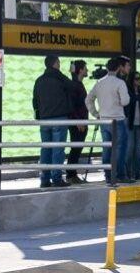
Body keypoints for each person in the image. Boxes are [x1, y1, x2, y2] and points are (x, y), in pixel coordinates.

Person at [86, 56, 132, 184]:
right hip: (118, 120)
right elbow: (125, 101)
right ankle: (120, 175)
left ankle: (108, 175)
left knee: (107, 148)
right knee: (120, 149)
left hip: (103, 120)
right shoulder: (120, 83)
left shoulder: (99, 83)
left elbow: (88, 100)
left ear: (107, 68)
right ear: (118, 68)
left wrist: (96, 113)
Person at [33, 55, 74, 188]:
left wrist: (39, 115)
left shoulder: (39, 80)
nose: (60, 65)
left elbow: (35, 101)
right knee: (58, 150)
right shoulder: (59, 78)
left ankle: (44, 179)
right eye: (59, 63)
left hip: (44, 120)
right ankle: (56, 179)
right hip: (59, 118)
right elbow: (73, 88)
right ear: (55, 64)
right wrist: (70, 74)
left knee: (46, 150)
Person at [66, 59, 89, 185]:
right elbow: (72, 105)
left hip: (80, 121)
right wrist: (78, 121)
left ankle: (72, 174)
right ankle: (71, 174)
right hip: (78, 123)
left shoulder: (77, 84)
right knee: (75, 148)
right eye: (85, 68)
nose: (87, 70)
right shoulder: (75, 85)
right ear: (80, 70)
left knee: (77, 148)